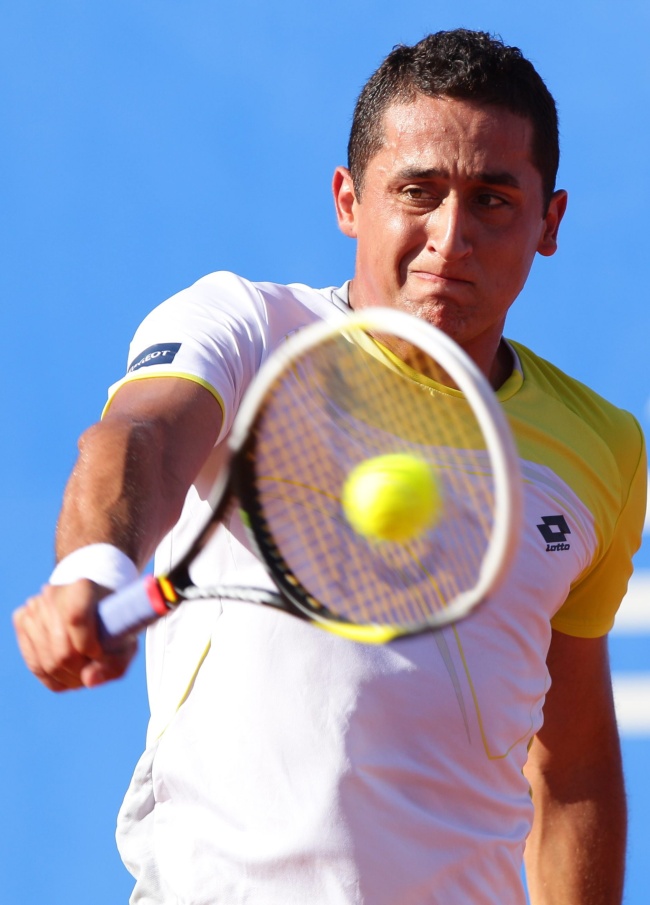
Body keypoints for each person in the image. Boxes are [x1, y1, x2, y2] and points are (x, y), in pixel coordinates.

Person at [14, 29, 646, 905]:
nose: (451, 237)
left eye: (493, 199)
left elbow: (571, 764)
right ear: (350, 200)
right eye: (417, 192)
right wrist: (94, 563)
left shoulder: (601, 446)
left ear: (550, 222)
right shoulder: (244, 328)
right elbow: (141, 439)